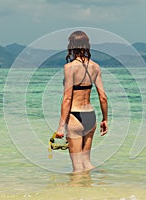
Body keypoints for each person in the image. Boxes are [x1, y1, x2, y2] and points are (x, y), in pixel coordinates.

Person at [56, 31, 108, 173]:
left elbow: (67, 98)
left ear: (71, 46)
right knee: (87, 164)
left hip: (74, 116)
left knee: (77, 168)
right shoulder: (95, 67)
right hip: (90, 116)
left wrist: (61, 127)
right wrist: (105, 119)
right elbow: (103, 97)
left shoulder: (70, 67)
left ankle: (77, 193)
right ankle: (91, 192)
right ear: (87, 45)